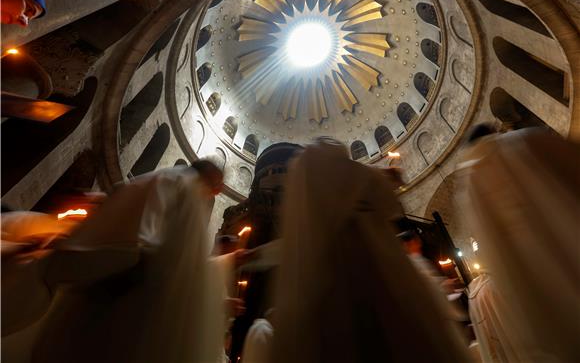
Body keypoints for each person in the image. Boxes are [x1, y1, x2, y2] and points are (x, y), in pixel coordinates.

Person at [272, 140, 469, 363]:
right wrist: (389, 176)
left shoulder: (306, 220)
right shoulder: (344, 174)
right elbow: (388, 201)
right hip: (372, 266)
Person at [31, 161, 236, 363]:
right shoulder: (180, 181)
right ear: (210, 178)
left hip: (131, 296)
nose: (218, 190)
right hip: (124, 296)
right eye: (218, 183)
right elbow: (138, 238)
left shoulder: (181, 186)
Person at [459, 127, 580, 362]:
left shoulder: (472, 182)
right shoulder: (528, 137)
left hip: (540, 273)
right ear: (495, 130)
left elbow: (492, 250)